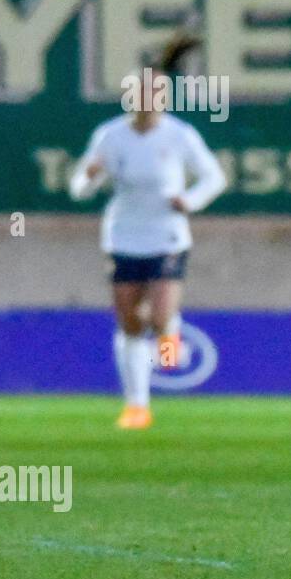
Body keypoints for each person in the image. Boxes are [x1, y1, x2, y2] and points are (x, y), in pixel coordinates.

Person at [68, 35, 227, 430]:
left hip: (166, 235)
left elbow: (214, 177)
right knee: (128, 321)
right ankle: (137, 405)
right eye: (142, 92)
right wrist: (87, 179)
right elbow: (79, 187)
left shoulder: (179, 135)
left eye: (157, 92)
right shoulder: (110, 136)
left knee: (158, 315)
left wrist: (189, 201)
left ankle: (169, 331)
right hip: (123, 235)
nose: (149, 99)